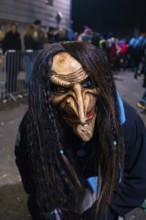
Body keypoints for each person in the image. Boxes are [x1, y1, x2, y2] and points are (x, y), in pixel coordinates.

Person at [15, 42, 146, 220]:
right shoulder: (34, 124)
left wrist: (107, 211)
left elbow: (139, 177)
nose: (81, 112)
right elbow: (26, 164)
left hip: (103, 194)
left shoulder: (127, 122)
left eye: (88, 83)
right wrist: (44, 199)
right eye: (61, 88)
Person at [3, 23, 22, 93]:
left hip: (16, 58)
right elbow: (4, 45)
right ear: (11, 28)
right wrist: (6, 53)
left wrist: (19, 57)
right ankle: (8, 88)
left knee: (15, 73)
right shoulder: (7, 36)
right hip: (9, 57)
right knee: (9, 73)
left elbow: (19, 48)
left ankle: (13, 88)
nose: (13, 29)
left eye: (15, 28)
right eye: (12, 28)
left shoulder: (18, 37)